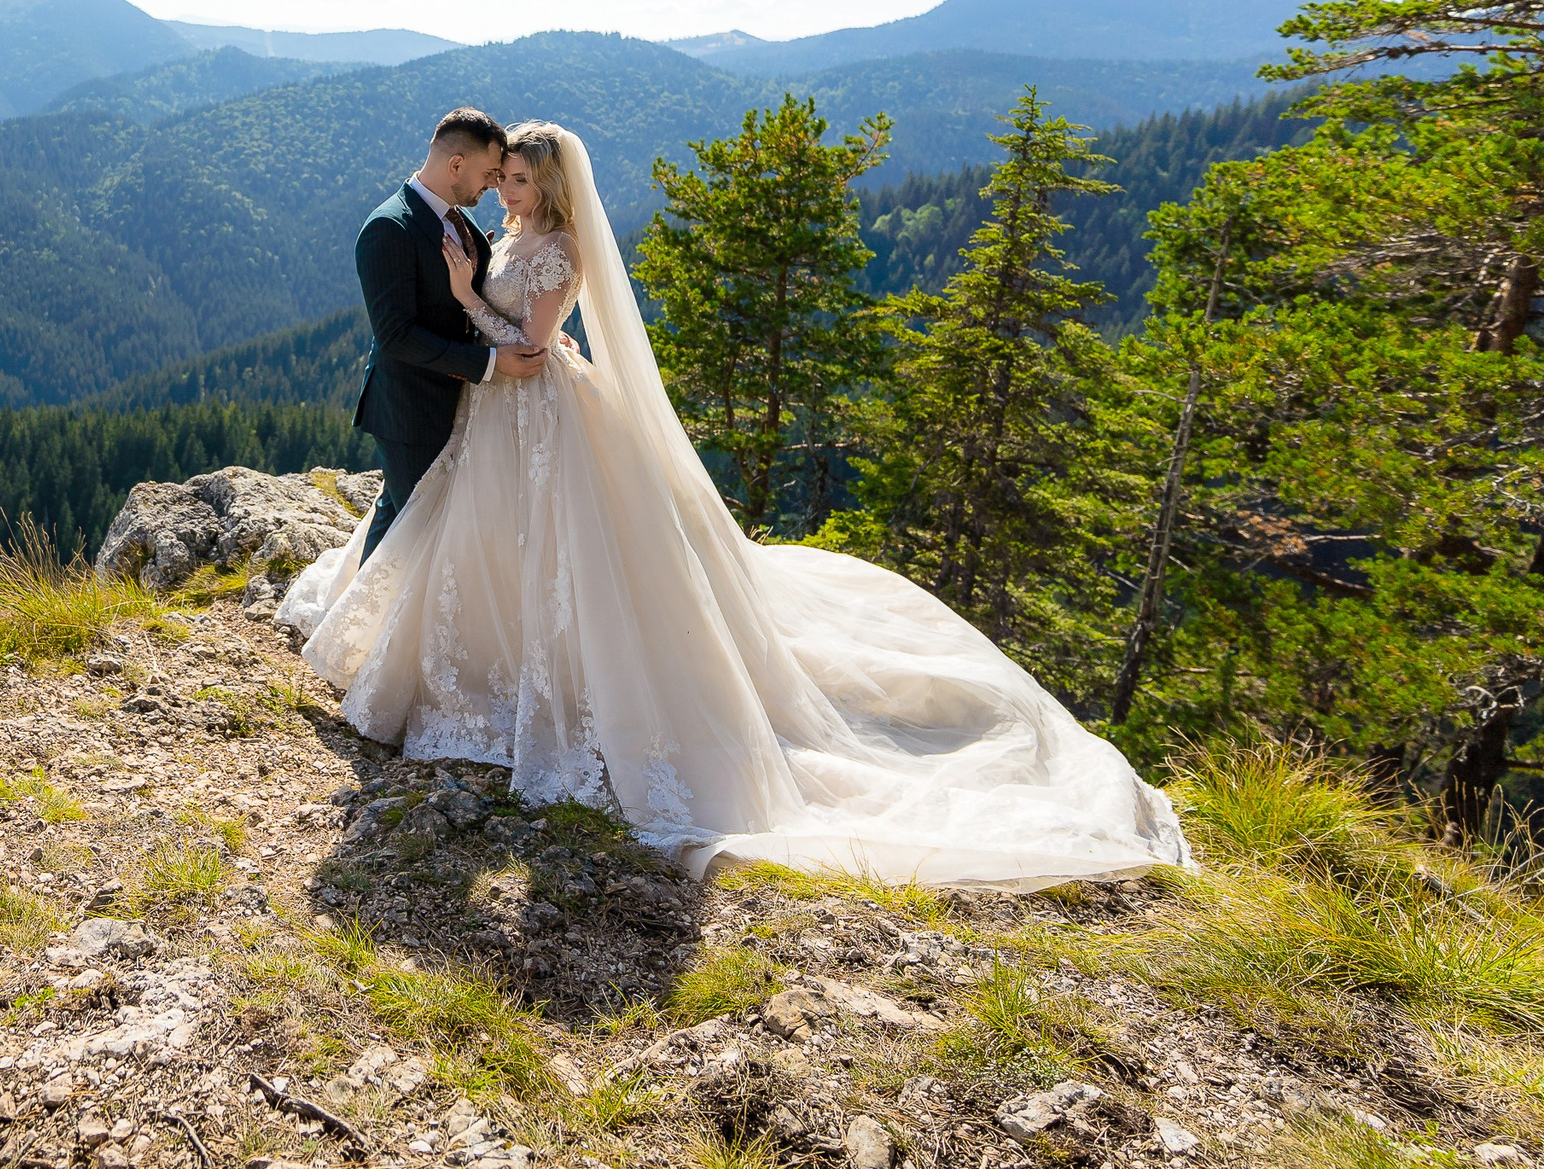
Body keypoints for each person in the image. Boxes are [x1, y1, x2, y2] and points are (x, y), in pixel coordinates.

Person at [284, 121, 1190, 889]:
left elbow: (530, 339)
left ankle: (553, 675)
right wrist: (465, 299)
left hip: (540, 404)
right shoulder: (497, 237)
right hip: (493, 418)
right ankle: (487, 654)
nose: (501, 191)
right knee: (494, 547)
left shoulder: (552, 248)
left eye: (516, 179)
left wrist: (458, 300)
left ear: (547, 184)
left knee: (565, 552)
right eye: (498, 176)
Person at [348, 108, 547, 558]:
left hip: (453, 404)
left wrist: (529, 325)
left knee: (397, 514)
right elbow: (397, 336)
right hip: (409, 407)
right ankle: (382, 627)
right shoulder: (389, 228)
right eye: (490, 173)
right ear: (456, 164)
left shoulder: (458, 218)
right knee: (418, 527)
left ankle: (361, 619)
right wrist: (492, 364)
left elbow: (473, 294)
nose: (495, 185)